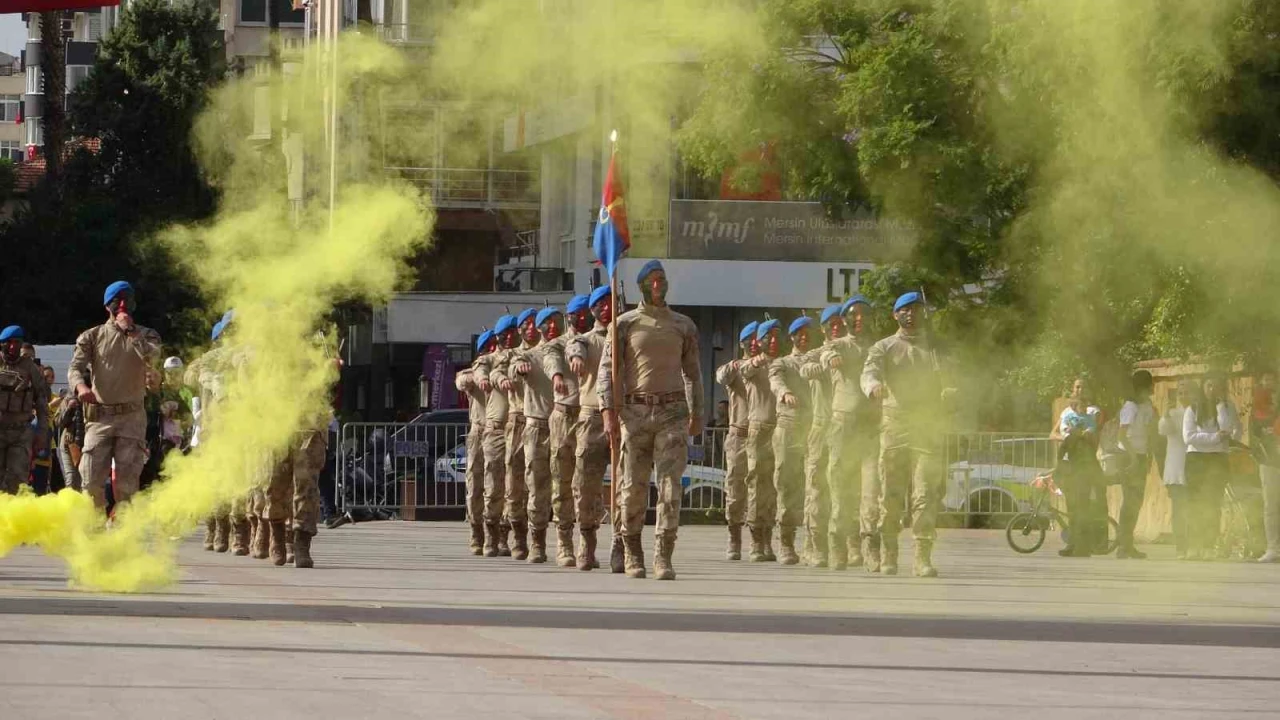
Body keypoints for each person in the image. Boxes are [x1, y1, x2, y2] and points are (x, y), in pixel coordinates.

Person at [599, 260, 703, 580]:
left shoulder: (683, 325)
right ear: (642, 286)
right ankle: (632, 550)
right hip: (635, 413)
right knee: (632, 489)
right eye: (653, 281)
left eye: (663, 280)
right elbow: (607, 370)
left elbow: (693, 374)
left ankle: (663, 554)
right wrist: (608, 412)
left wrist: (697, 411)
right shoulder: (624, 323)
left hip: (672, 413)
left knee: (671, 488)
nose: (659, 285)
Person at [860, 292, 953, 577]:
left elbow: (952, 376)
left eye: (917, 309)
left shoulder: (937, 348)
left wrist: (952, 390)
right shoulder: (883, 347)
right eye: (905, 310)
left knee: (925, 495)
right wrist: (873, 386)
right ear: (895, 315)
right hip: (894, 425)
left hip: (927, 427)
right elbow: (869, 372)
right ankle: (889, 553)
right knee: (891, 495)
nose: (911, 314)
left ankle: (922, 557)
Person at [67, 282, 162, 515]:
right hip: (100, 417)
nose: (122, 305)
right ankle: (95, 527)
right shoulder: (92, 336)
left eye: (127, 300)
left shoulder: (148, 335)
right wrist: (80, 386)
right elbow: (75, 368)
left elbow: (154, 358)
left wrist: (131, 333)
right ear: (107, 305)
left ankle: (121, 534)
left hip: (131, 417)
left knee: (127, 484)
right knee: (89, 479)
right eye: (117, 300)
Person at [823, 296, 881, 571]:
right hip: (842, 427)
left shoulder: (878, 348)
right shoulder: (837, 345)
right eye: (853, 315)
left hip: (871, 428)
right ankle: (840, 547)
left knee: (871, 491)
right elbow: (825, 354)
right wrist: (832, 357)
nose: (859, 319)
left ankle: (868, 547)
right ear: (844, 319)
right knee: (841, 489)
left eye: (864, 314)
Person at [511, 306, 567, 564]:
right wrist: (518, 367)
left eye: (557, 322)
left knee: (564, 487)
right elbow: (514, 367)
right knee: (536, 488)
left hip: (564, 425)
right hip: (535, 427)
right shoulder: (529, 356)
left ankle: (566, 545)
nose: (553, 327)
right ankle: (536, 543)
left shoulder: (569, 351)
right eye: (548, 324)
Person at [767, 316, 821, 566]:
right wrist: (785, 392)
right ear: (792, 337)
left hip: (815, 427)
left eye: (808, 333)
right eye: (799, 333)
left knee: (816, 485)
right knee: (787, 485)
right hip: (789, 426)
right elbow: (776, 381)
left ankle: (813, 544)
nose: (804, 337)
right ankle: (786, 543)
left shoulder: (819, 359)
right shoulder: (782, 363)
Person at [567, 285, 614, 571]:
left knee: (627, 484)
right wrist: (576, 359)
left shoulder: (626, 335)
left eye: (611, 302)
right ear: (592, 310)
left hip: (625, 415)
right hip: (592, 415)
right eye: (601, 304)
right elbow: (575, 347)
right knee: (585, 482)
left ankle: (622, 545)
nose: (606, 308)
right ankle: (586, 544)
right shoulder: (585, 340)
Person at [490, 307, 537, 560]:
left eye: (533, 323)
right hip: (518, 421)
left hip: (544, 420)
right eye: (525, 325)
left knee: (538, 485)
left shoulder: (546, 349)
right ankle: (514, 536)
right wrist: (502, 380)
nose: (530, 328)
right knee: (514, 484)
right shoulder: (510, 356)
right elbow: (496, 371)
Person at [1182, 373, 1241, 560]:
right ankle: (1193, 545)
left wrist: (1222, 406)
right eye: (1209, 385)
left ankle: (1208, 545)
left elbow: (1233, 431)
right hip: (1196, 460)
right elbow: (1189, 437)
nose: (1212, 389)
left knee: (1213, 503)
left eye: (1216, 386)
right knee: (1195, 503)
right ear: (1203, 387)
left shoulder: (1228, 407)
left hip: (1218, 459)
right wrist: (1215, 438)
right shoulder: (1192, 409)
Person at [715, 321, 757, 560]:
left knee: (760, 490)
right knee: (735, 489)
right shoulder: (735, 368)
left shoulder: (768, 365)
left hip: (761, 435)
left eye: (755, 339)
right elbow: (721, 376)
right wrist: (737, 365)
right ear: (741, 344)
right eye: (748, 340)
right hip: (739, 434)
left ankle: (758, 539)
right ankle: (734, 536)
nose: (753, 343)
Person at [475, 315, 515, 557]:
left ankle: (505, 535)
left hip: (519, 428)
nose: (510, 337)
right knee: (493, 486)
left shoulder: (522, 357)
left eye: (513, 332)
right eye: (505, 334)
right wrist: (483, 379)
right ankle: (489, 534)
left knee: (515, 489)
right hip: (496, 429)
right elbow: (478, 373)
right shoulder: (488, 360)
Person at [1052, 376, 1105, 557]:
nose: (1079, 390)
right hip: (1068, 463)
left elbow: (1093, 437)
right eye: (1077, 387)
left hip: (1084, 464)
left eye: (1083, 387)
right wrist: (1069, 438)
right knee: (1071, 506)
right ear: (1072, 389)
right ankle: (1072, 544)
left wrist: (1078, 435)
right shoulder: (1067, 412)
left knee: (1082, 505)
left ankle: (1084, 545)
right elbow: (1054, 434)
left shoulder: (1093, 412)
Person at [455, 330, 494, 555]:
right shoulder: (473, 372)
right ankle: (476, 531)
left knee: (498, 485)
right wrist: (480, 375)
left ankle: (496, 534)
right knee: (476, 485)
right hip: (478, 432)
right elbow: (461, 381)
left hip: (500, 430)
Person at [742, 319, 778, 562]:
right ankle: (756, 541)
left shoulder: (783, 364)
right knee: (756, 485)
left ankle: (769, 538)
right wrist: (758, 359)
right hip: (758, 429)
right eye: (769, 338)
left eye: (777, 337)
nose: (774, 342)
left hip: (781, 428)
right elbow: (743, 371)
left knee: (776, 486)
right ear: (760, 341)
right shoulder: (752, 364)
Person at [0, 325, 48, 495]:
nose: (13, 347)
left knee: (17, 480)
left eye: (17, 343)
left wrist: (42, 433)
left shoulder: (30, 368)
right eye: (9, 343)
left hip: (21, 432)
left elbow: (42, 402)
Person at [1115, 370, 1156, 559]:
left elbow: (1149, 432)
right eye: (1150, 384)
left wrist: (1147, 457)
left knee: (1136, 501)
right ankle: (1123, 545)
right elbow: (1122, 435)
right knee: (1129, 500)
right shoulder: (1130, 406)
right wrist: (1132, 457)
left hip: (1140, 455)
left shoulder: (1147, 406)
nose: (1153, 387)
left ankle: (1128, 544)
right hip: (1127, 455)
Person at [1158, 380, 1194, 559]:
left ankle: (1196, 545)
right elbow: (1164, 430)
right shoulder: (1172, 414)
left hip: (1195, 467)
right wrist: (1165, 413)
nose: (1183, 396)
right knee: (1179, 509)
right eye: (1180, 393)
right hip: (1176, 469)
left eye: (1187, 392)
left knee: (1196, 508)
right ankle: (1181, 547)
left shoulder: (1198, 413)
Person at [1253, 370, 1280, 563]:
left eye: (1273, 381)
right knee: (1271, 506)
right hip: (1269, 462)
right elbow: (1255, 437)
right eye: (1266, 380)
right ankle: (1273, 548)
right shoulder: (1258, 410)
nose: (1270, 384)